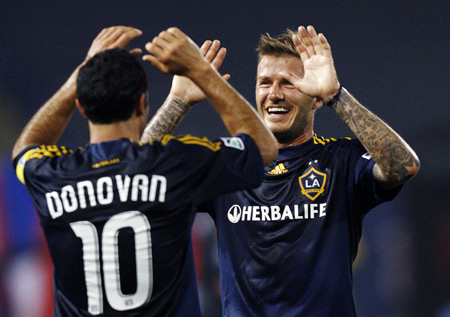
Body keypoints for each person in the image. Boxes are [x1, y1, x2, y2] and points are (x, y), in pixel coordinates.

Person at [140, 25, 420, 316]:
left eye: (288, 83)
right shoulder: (227, 163)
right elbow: (135, 178)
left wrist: (337, 95)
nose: (274, 94)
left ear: (315, 98)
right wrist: (178, 101)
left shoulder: (340, 160)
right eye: (265, 82)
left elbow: (404, 165)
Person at [11, 26, 277, 316]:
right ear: (141, 104)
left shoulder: (53, 175)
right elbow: (263, 147)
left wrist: (81, 76)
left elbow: (25, 148)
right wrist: (202, 71)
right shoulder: (175, 163)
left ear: (81, 107)